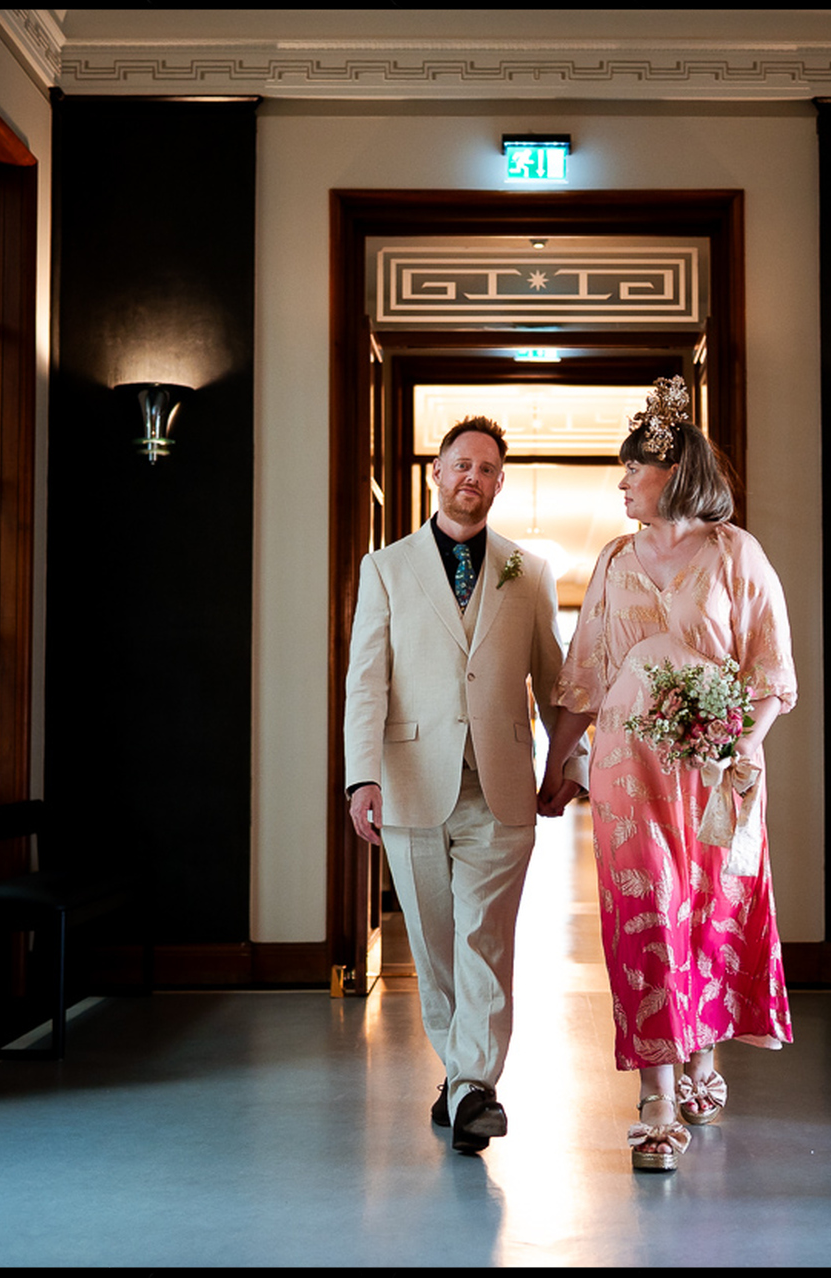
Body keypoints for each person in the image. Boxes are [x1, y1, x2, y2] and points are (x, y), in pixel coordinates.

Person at [537, 376, 797, 1174]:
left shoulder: (735, 555)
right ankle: (655, 1098)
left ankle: (703, 1060)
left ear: (673, 473)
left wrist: (738, 746)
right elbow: (583, 676)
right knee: (645, 911)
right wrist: (559, 766)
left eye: (631, 472)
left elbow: (773, 675)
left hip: (715, 775)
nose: (620, 484)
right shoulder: (613, 561)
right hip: (626, 770)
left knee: (709, 912)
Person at [343, 415, 589, 1155]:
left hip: (504, 785)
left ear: (499, 483)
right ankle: (461, 1082)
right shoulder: (385, 568)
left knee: (485, 940)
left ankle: (476, 1088)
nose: (472, 478)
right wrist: (361, 779)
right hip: (411, 780)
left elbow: (558, 680)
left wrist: (567, 765)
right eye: (461, 465)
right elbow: (366, 685)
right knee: (437, 945)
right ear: (437, 475)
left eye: (486, 469)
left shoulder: (530, 571)